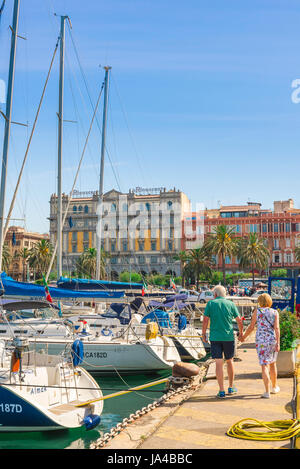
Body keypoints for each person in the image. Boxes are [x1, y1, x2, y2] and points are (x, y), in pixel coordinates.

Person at [201, 285, 244, 398]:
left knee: (219, 363)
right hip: (228, 337)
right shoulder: (231, 304)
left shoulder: (210, 304)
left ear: (215, 294)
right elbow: (239, 320)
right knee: (230, 361)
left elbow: (205, 320)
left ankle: (221, 390)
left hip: (215, 337)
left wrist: (203, 334)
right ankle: (231, 387)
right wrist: (241, 333)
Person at [240, 293, 280, 398]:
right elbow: (277, 328)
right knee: (272, 363)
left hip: (261, 341)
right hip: (272, 340)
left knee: (264, 365)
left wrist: (243, 337)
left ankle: (266, 392)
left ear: (260, 302)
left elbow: (251, 327)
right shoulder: (275, 312)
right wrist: (278, 343)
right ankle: (274, 387)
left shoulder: (257, 312)